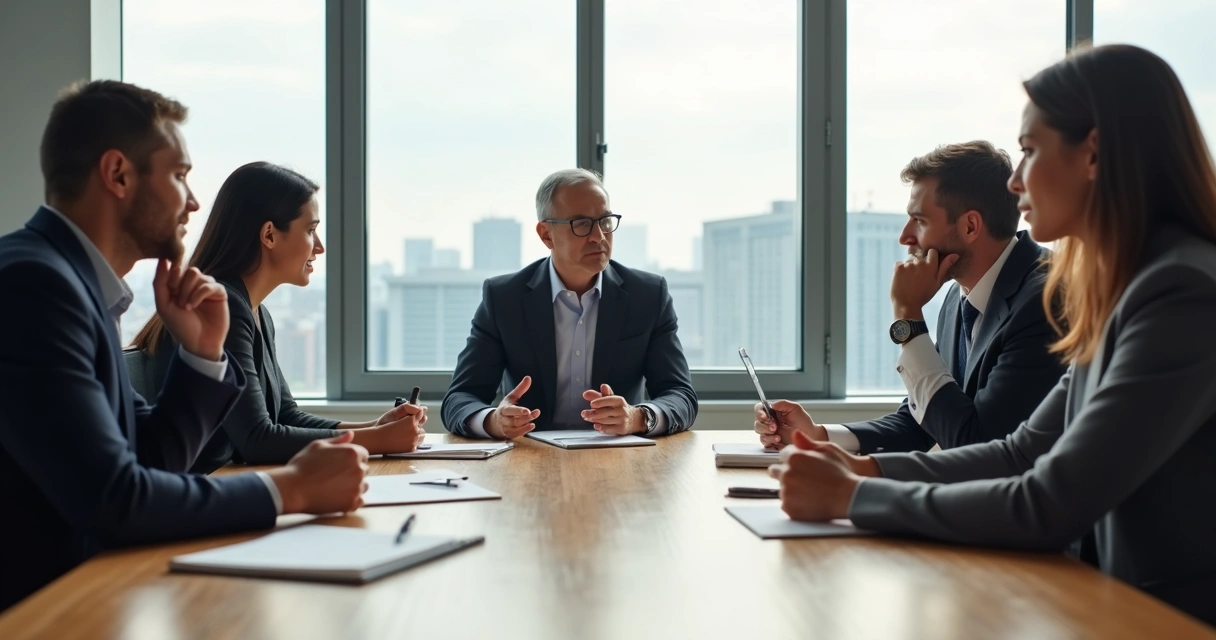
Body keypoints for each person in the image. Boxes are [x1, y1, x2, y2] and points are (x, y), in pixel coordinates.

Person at [770, 45, 1216, 626]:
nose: (1014, 178)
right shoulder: (1121, 286)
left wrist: (854, 498)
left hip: (1169, 618)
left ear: (1094, 154)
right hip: (1105, 602)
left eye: (1029, 151)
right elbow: (1022, 450)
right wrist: (861, 469)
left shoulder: (1181, 291)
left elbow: (1049, 499)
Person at [0, 80, 368, 611]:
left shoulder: (72, 284)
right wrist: (293, 490)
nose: (194, 202)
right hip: (45, 610)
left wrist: (202, 356)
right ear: (118, 174)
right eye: (179, 176)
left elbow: (147, 462)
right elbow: (116, 501)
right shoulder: (35, 285)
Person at [757, 141, 1066, 454]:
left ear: (970, 225)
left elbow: (977, 445)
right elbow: (923, 421)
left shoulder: (1044, 301)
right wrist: (817, 436)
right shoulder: (959, 297)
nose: (904, 236)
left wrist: (909, 318)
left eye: (919, 220)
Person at [129, 162, 426, 474]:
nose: (320, 247)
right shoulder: (224, 307)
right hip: (201, 493)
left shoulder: (256, 311)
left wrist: (375, 427)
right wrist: (376, 440)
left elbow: (285, 415)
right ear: (269, 235)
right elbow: (257, 439)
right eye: (311, 230)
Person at [442, 168, 698, 439]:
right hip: (531, 458)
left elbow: (680, 395)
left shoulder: (647, 295)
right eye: (582, 224)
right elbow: (460, 397)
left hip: (618, 456)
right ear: (546, 234)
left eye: (605, 221)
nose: (598, 236)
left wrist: (637, 417)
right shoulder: (505, 298)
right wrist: (494, 421)